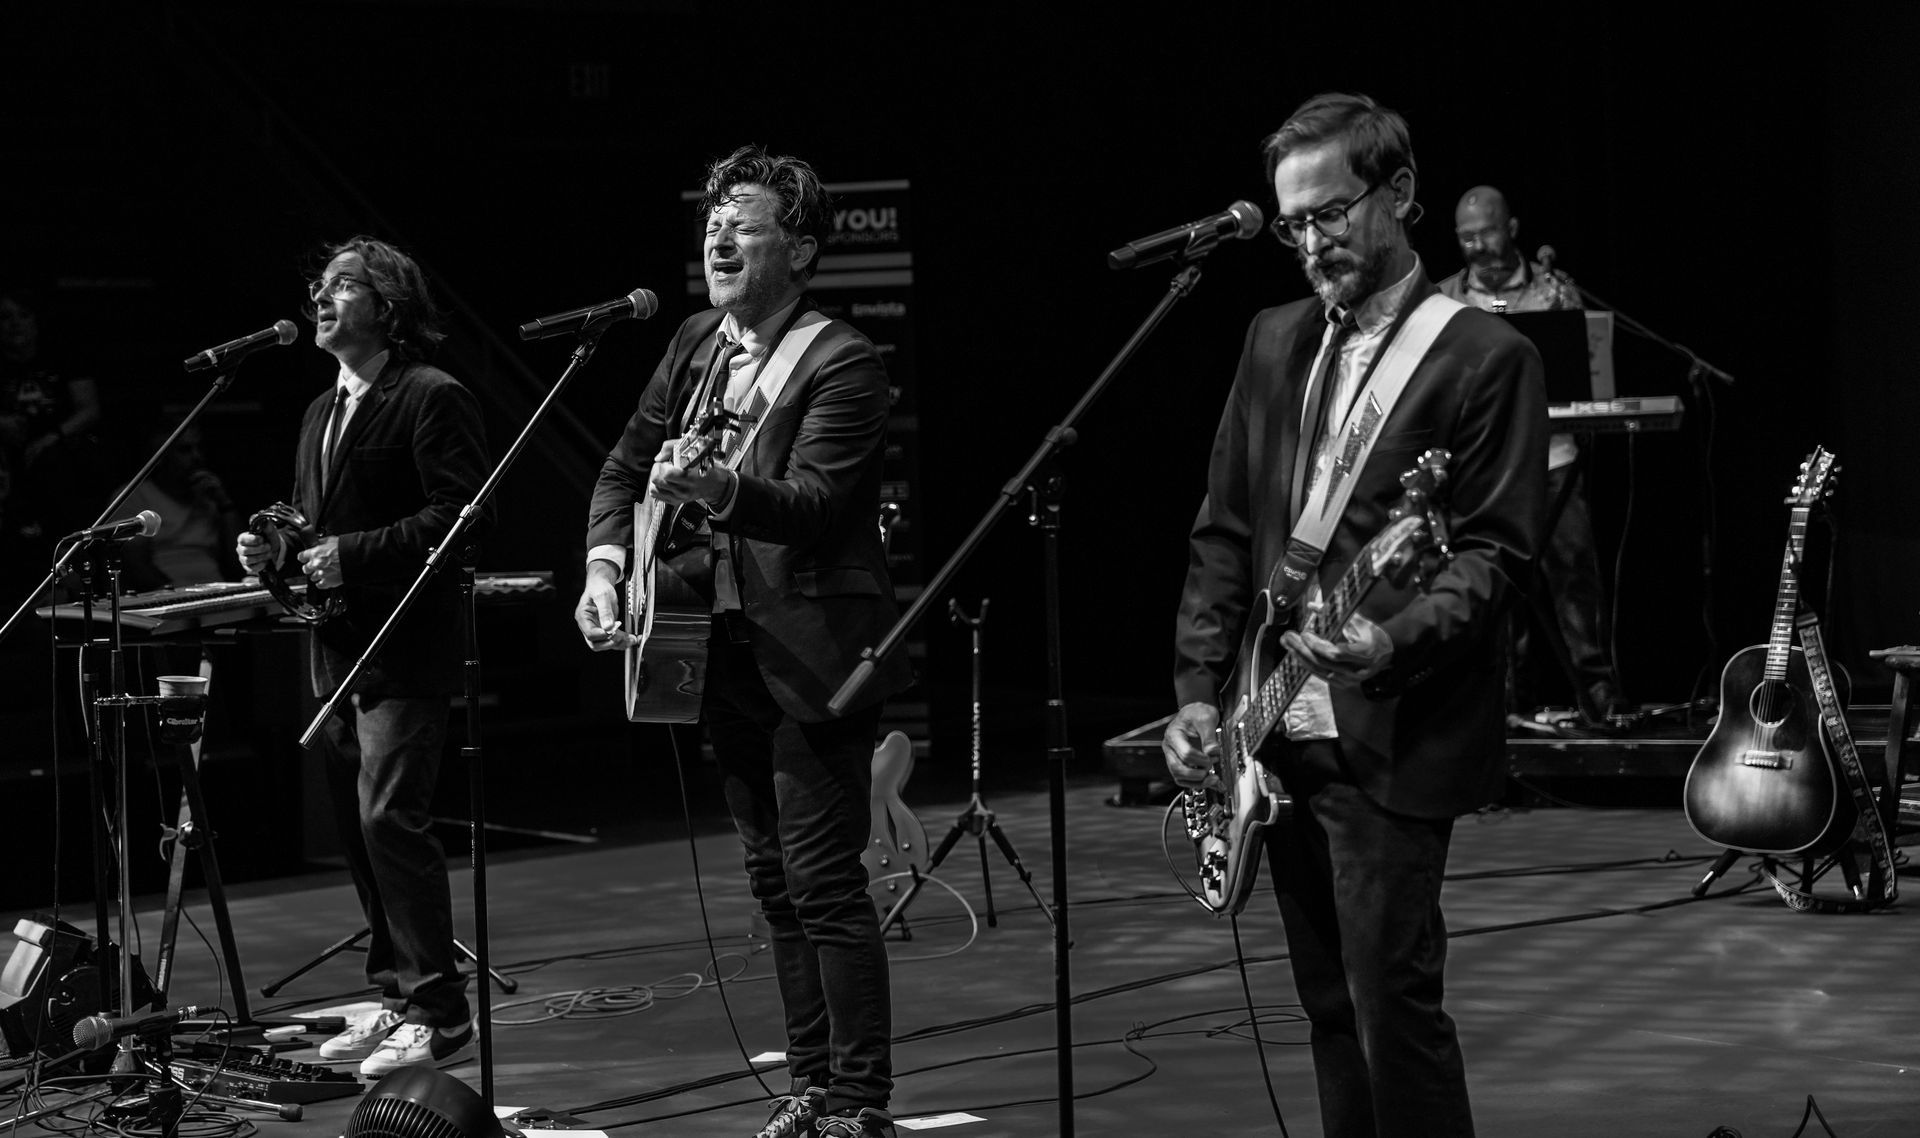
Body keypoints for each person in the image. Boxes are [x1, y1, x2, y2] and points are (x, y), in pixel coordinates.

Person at [1163, 93, 1547, 1138]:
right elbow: (1225, 532)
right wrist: (1201, 691)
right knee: (1329, 1010)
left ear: (1400, 195)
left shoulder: (1485, 357)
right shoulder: (1272, 340)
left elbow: (1495, 554)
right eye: (1293, 224)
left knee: (1392, 1009)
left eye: (1330, 213)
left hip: (1393, 729)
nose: (1311, 243)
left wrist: (1392, 637)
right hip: (1276, 723)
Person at [574, 145, 910, 1138]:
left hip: (810, 654)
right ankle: (809, 1087)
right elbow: (625, 466)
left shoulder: (843, 360)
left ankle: (859, 1103)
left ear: (801, 249)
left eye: (745, 223)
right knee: (770, 881)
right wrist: (604, 567)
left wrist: (719, 488)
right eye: (711, 221)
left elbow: (811, 505)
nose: (717, 235)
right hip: (706, 645)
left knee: (823, 878)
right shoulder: (692, 342)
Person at [236, 236, 488, 1077]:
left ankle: (441, 1010)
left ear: (388, 306)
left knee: (389, 817)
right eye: (320, 284)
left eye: (345, 285)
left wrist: (354, 553)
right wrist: (271, 555)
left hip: (405, 647)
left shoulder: (430, 396)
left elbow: (461, 517)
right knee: (356, 826)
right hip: (335, 649)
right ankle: (397, 994)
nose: (322, 296)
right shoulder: (318, 411)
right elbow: (316, 532)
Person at [1439, 185, 1625, 723]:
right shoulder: (1446, 298)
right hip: (1483, 471)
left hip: (1553, 460)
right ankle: (1503, 709)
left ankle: (1598, 695)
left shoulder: (1556, 292)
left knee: (1574, 580)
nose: (1477, 246)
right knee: (1492, 588)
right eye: (1466, 237)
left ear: (1513, 228)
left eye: (1487, 233)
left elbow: (1592, 376)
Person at [0, 287, 104, 540]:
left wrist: (51, 438)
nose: (15, 324)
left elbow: (89, 409)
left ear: (35, 320)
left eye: (23, 315)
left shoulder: (61, 355)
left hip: (58, 450)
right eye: (5, 317)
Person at [122, 420, 242, 590]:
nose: (197, 457)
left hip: (216, 590)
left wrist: (225, 504)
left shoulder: (208, 495)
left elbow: (239, 562)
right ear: (162, 456)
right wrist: (174, 594)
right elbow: (137, 566)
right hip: (166, 595)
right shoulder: (136, 496)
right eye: (185, 450)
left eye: (199, 448)